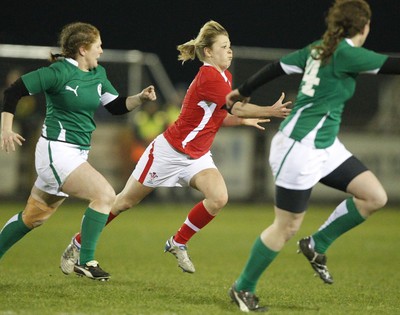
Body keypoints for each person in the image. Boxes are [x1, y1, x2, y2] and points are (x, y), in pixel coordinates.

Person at [60, 20, 291, 276]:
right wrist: (267, 110)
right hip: (168, 152)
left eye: (230, 46)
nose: (230, 51)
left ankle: (178, 242)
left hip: (197, 156)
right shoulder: (209, 77)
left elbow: (217, 115)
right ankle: (78, 243)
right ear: (208, 52)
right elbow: (234, 106)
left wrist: (242, 119)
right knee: (123, 202)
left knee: (218, 197)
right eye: (224, 47)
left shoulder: (225, 76)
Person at [225, 0, 400, 312]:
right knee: (286, 226)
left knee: (374, 196)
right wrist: (242, 91)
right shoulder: (347, 53)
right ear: (364, 27)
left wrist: (243, 90)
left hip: (324, 146)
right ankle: (243, 288)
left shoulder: (318, 48)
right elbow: (393, 66)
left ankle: (317, 244)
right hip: (299, 147)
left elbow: (275, 68)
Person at [0, 22, 156, 281]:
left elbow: (115, 106)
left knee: (33, 217)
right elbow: (14, 90)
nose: (102, 51)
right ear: (83, 49)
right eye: (98, 46)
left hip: (76, 153)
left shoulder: (98, 74)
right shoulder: (58, 72)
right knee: (105, 195)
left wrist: (139, 97)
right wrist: (6, 128)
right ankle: (86, 261)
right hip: (56, 152)